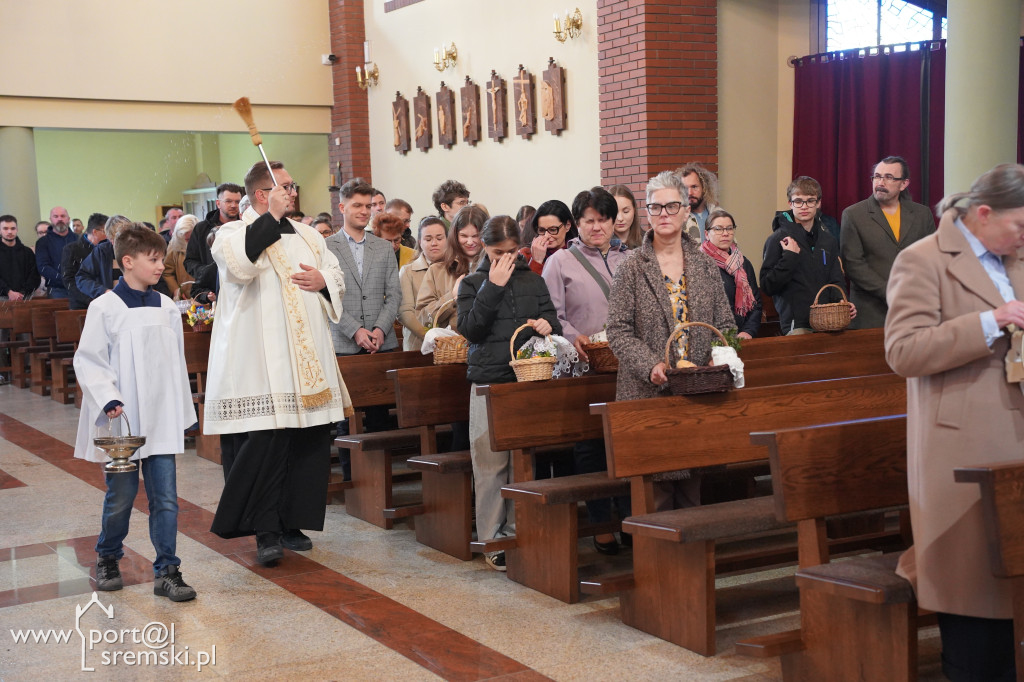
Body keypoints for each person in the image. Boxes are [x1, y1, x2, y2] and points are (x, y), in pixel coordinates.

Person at [885, 163, 1024, 682]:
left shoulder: (1015, 256)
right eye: (1019, 225)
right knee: (973, 590)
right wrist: (991, 321)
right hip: (960, 448)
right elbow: (903, 352)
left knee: (1015, 585)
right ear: (984, 214)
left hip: (1014, 439)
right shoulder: (922, 261)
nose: (1023, 237)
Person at [207, 161, 352, 565]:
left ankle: (293, 522)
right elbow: (240, 265)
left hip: (306, 362)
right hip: (259, 361)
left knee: (306, 442)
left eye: (292, 185)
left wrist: (324, 282)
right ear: (261, 195)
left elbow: (334, 273)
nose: (293, 192)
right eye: (285, 186)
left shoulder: (307, 235)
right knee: (266, 444)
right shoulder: (231, 233)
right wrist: (269, 217)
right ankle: (265, 530)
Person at [73, 224, 198, 601]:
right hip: (122, 419)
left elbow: (176, 362)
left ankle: (168, 570)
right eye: (153, 259)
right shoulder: (104, 308)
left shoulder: (166, 308)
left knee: (165, 498)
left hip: (160, 415)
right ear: (127, 262)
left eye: (162, 258)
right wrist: (107, 396)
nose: (160, 265)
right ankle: (108, 556)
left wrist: (180, 412)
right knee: (121, 497)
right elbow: (89, 359)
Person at [606, 170, 736, 511]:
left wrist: (717, 359)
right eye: (656, 207)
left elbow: (726, 325)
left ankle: (691, 565)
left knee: (693, 495)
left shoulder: (705, 264)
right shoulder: (631, 266)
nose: (664, 214)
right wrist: (651, 365)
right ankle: (654, 565)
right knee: (656, 498)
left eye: (672, 206)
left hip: (697, 393)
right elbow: (617, 330)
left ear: (685, 211)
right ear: (647, 213)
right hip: (648, 393)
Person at [458, 215, 561, 571]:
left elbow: (552, 319)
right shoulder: (472, 283)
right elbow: (471, 330)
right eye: (496, 252)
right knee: (490, 463)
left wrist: (549, 324)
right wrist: (493, 287)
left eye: (510, 252)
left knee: (523, 461)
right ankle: (492, 538)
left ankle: (521, 530)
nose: (504, 259)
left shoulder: (533, 280)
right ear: (485, 248)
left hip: (527, 382)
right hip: (489, 381)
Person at [541, 188, 630, 554]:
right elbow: (552, 315)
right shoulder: (560, 261)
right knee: (591, 446)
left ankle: (629, 520)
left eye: (604, 219)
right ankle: (600, 525)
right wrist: (575, 338)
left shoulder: (633, 258)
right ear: (577, 224)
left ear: (614, 222)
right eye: (589, 220)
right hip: (584, 368)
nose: (597, 227)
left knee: (625, 444)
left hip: (626, 366)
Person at [840, 155, 936, 329]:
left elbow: (932, 258)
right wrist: (890, 292)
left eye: (889, 177)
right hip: (870, 312)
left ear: (904, 184)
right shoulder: (854, 214)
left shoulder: (922, 214)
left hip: (914, 310)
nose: (880, 182)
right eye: (877, 176)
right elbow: (853, 264)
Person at [760, 176, 856, 334]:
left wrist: (841, 301)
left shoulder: (828, 239)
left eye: (810, 201)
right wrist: (789, 257)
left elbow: (835, 278)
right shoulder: (777, 238)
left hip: (828, 320)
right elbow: (768, 286)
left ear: (818, 203)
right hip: (797, 323)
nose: (804, 206)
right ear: (790, 203)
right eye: (798, 201)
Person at [326, 178, 402, 358]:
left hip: (381, 342)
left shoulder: (384, 247)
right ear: (342, 208)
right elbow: (327, 298)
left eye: (368, 207)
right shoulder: (326, 247)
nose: (364, 211)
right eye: (357, 205)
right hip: (343, 344)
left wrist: (380, 329)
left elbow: (394, 294)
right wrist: (355, 330)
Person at [415, 205, 487, 332]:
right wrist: (451, 297)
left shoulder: (495, 268)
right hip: (452, 347)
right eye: (464, 236)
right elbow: (423, 318)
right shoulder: (437, 270)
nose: (470, 242)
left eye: (475, 236)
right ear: (454, 236)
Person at [702, 209, 762, 339]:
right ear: (707, 234)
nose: (725, 233)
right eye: (718, 229)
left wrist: (748, 331)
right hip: (712, 338)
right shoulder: (699, 263)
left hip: (742, 336)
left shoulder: (743, 263)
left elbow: (756, 304)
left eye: (729, 228)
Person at [184, 183, 244, 304]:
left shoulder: (246, 227)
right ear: (218, 203)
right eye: (228, 201)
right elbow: (189, 261)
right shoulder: (201, 229)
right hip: (212, 293)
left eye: (237, 202)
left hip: (241, 289)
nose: (233, 205)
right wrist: (206, 272)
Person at [398, 217, 446, 351]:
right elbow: (405, 312)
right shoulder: (408, 271)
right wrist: (430, 336)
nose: (434, 243)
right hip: (418, 345)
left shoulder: (456, 269)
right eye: (428, 239)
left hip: (451, 344)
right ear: (420, 242)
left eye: (439, 238)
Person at [76, 215, 133, 305]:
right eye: (116, 240)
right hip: (111, 304)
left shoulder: (140, 250)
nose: (123, 244)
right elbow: (82, 278)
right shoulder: (102, 251)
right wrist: (104, 291)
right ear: (110, 239)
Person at [62, 213, 108, 310]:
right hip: (82, 304)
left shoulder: (107, 249)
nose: (108, 235)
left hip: (105, 301)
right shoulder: (72, 249)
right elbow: (69, 280)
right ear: (95, 232)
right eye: (106, 231)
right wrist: (90, 299)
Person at [519, 200, 578, 274]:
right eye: (542, 230)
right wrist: (536, 261)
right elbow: (527, 285)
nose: (547, 236)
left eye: (553, 230)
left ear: (567, 225)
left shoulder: (579, 253)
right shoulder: (525, 255)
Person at [35, 206, 78, 298]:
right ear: (51, 219)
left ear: (68, 219)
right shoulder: (43, 242)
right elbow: (43, 266)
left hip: (79, 287)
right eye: (56, 216)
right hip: (57, 289)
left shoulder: (79, 239)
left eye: (63, 216)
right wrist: (64, 279)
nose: (60, 219)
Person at [0, 215, 41, 301]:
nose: (9, 231)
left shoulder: (27, 252)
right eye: (5, 228)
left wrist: (23, 293)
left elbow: (35, 276)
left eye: (13, 228)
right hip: (2, 297)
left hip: (24, 297)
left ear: (17, 230)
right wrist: (8, 291)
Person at [677, 163, 719, 242]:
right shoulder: (676, 218)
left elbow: (732, 246)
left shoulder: (718, 214)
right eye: (684, 188)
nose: (689, 193)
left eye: (694, 187)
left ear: (704, 188)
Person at [162, 214, 197, 300]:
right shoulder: (174, 245)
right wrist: (176, 290)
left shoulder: (207, 243)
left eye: (191, 238)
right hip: (184, 298)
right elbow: (167, 271)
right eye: (185, 239)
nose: (188, 242)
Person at [609, 184, 644, 248]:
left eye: (626, 211)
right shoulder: (600, 244)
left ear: (634, 210)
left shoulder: (649, 241)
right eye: (614, 212)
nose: (620, 218)